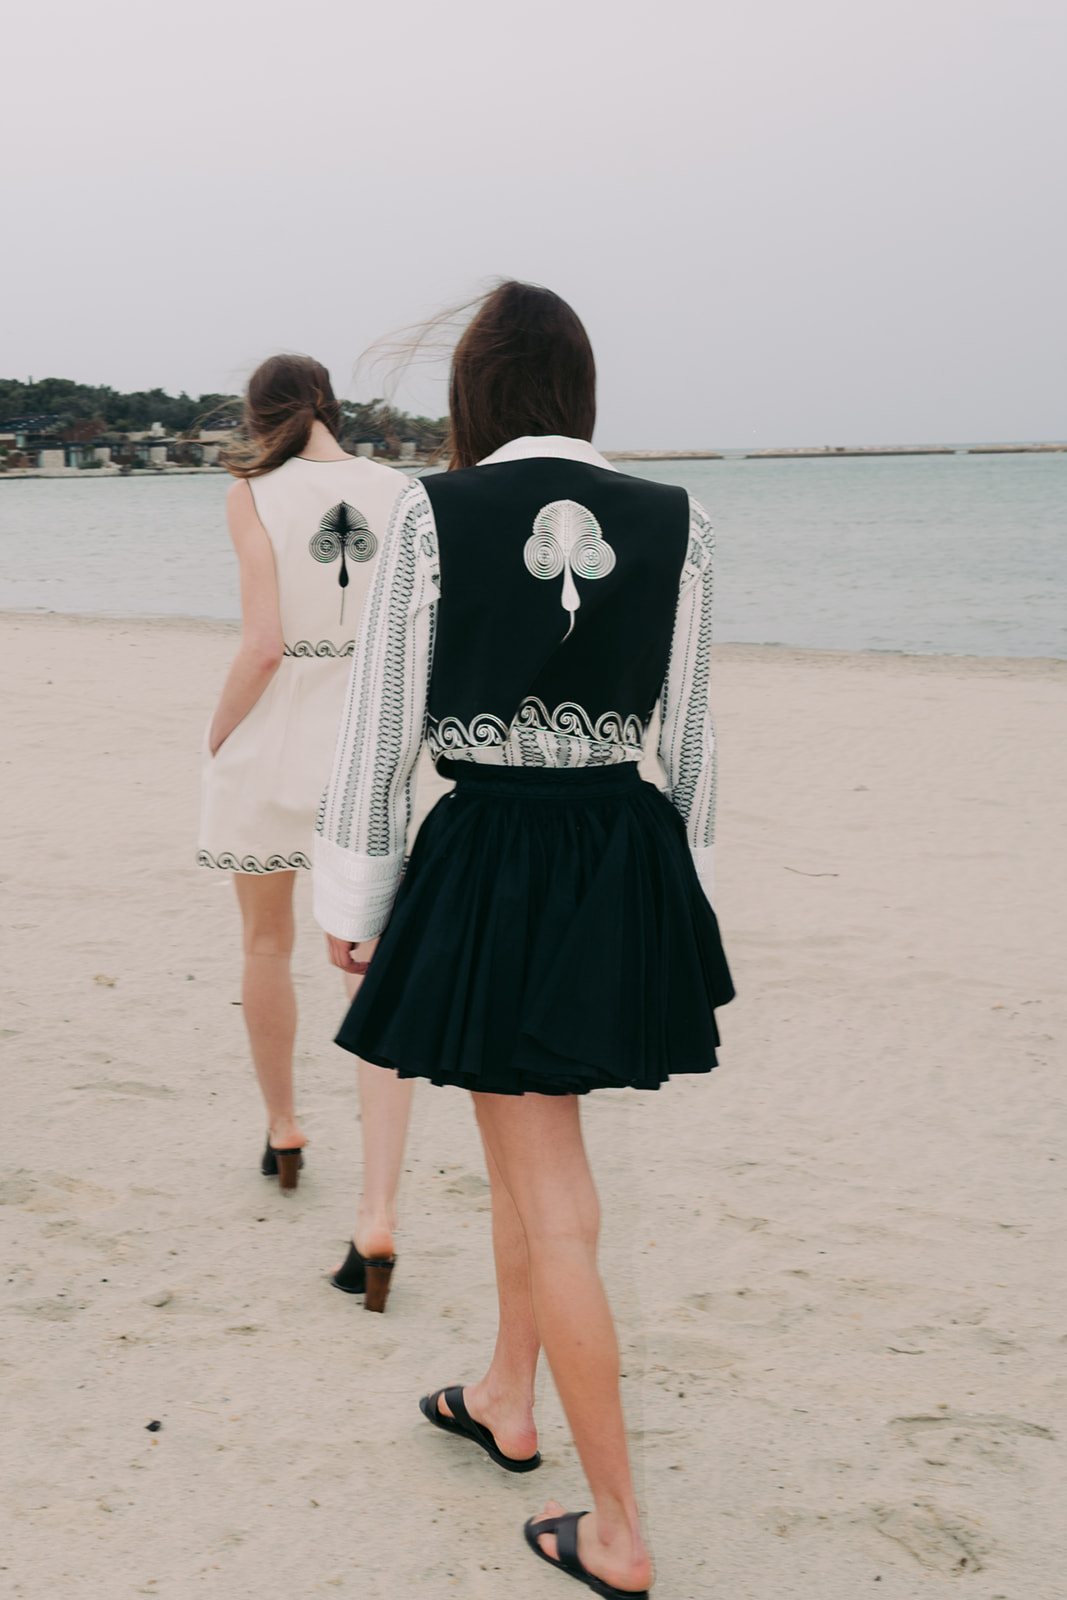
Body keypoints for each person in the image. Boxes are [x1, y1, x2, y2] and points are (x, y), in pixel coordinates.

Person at [312, 283, 733, 1593]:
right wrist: (670, 905)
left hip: (494, 853)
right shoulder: (678, 517)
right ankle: (505, 1393)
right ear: (580, 387)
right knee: (517, 1147)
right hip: (621, 852)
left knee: (550, 1192)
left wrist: (352, 902)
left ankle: (615, 1530)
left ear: (475, 394)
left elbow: (379, 728)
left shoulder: (432, 513)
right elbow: (691, 739)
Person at [199, 355, 413, 1306]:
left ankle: (284, 1127)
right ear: (331, 404)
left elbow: (262, 646)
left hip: (275, 736)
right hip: (367, 744)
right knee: (370, 965)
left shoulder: (251, 494)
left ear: (259, 415)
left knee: (265, 941)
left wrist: (218, 735)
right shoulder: (403, 492)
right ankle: (377, 1214)